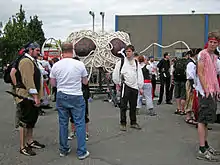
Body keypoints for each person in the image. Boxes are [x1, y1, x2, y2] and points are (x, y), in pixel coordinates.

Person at [50, 43, 89, 160]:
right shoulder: (80, 64)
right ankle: (81, 152)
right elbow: (85, 82)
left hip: (62, 95)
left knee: (63, 123)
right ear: (72, 51)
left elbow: (52, 84)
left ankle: (63, 150)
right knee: (80, 123)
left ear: (62, 51)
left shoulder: (56, 65)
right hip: (76, 95)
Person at [15, 42, 45, 156]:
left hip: (31, 97)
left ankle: (30, 141)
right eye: (37, 50)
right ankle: (23, 147)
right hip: (26, 97)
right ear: (30, 50)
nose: (39, 52)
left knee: (31, 121)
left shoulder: (32, 60)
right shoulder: (26, 61)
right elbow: (28, 81)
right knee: (24, 121)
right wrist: (36, 97)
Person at [196, 31, 220, 161]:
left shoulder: (214, 57)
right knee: (202, 120)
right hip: (205, 92)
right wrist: (206, 90)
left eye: (215, 42)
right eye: (211, 41)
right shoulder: (203, 54)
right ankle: (201, 149)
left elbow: (215, 75)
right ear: (208, 42)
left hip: (212, 91)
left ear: (218, 44)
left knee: (207, 121)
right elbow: (200, 73)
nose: (212, 44)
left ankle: (205, 144)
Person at [112, 45, 144, 131]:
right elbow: (115, 73)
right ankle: (123, 123)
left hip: (134, 87)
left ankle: (133, 122)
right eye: (126, 51)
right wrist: (117, 83)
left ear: (133, 52)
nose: (127, 53)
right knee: (123, 106)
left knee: (133, 106)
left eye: (129, 51)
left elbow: (139, 75)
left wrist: (140, 86)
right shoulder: (121, 62)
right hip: (125, 86)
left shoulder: (136, 63)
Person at [68, 56, 91, 141]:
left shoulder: (81, 71)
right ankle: (76, 132)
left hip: (80, 94)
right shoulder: (73, 71)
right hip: (78, 94)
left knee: (82, 114)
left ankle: (84, 132)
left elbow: (85, 82)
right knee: (76, 114)